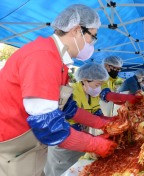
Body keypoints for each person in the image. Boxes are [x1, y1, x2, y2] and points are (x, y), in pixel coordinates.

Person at [0, 4, 117, 176]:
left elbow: (69, 109)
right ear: (77, 30)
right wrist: (95, 144)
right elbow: (49, 127)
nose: (93, 43)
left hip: (31, 146)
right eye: (93, 36)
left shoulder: (58, 62)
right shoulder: (42, 56)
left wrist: (102, 123)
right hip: (14, 150)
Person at [44, 63, 113, 176]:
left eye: (100, 85)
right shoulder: (71, 92)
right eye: (97, 84)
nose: (98, 88)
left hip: (82, 139)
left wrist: (109, 121)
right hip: (66, 139)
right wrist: (100, 124)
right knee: (63, 170)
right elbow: (71, 113)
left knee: (79, 168)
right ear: (85, 80)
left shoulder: (92, 94)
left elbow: (96, 112)